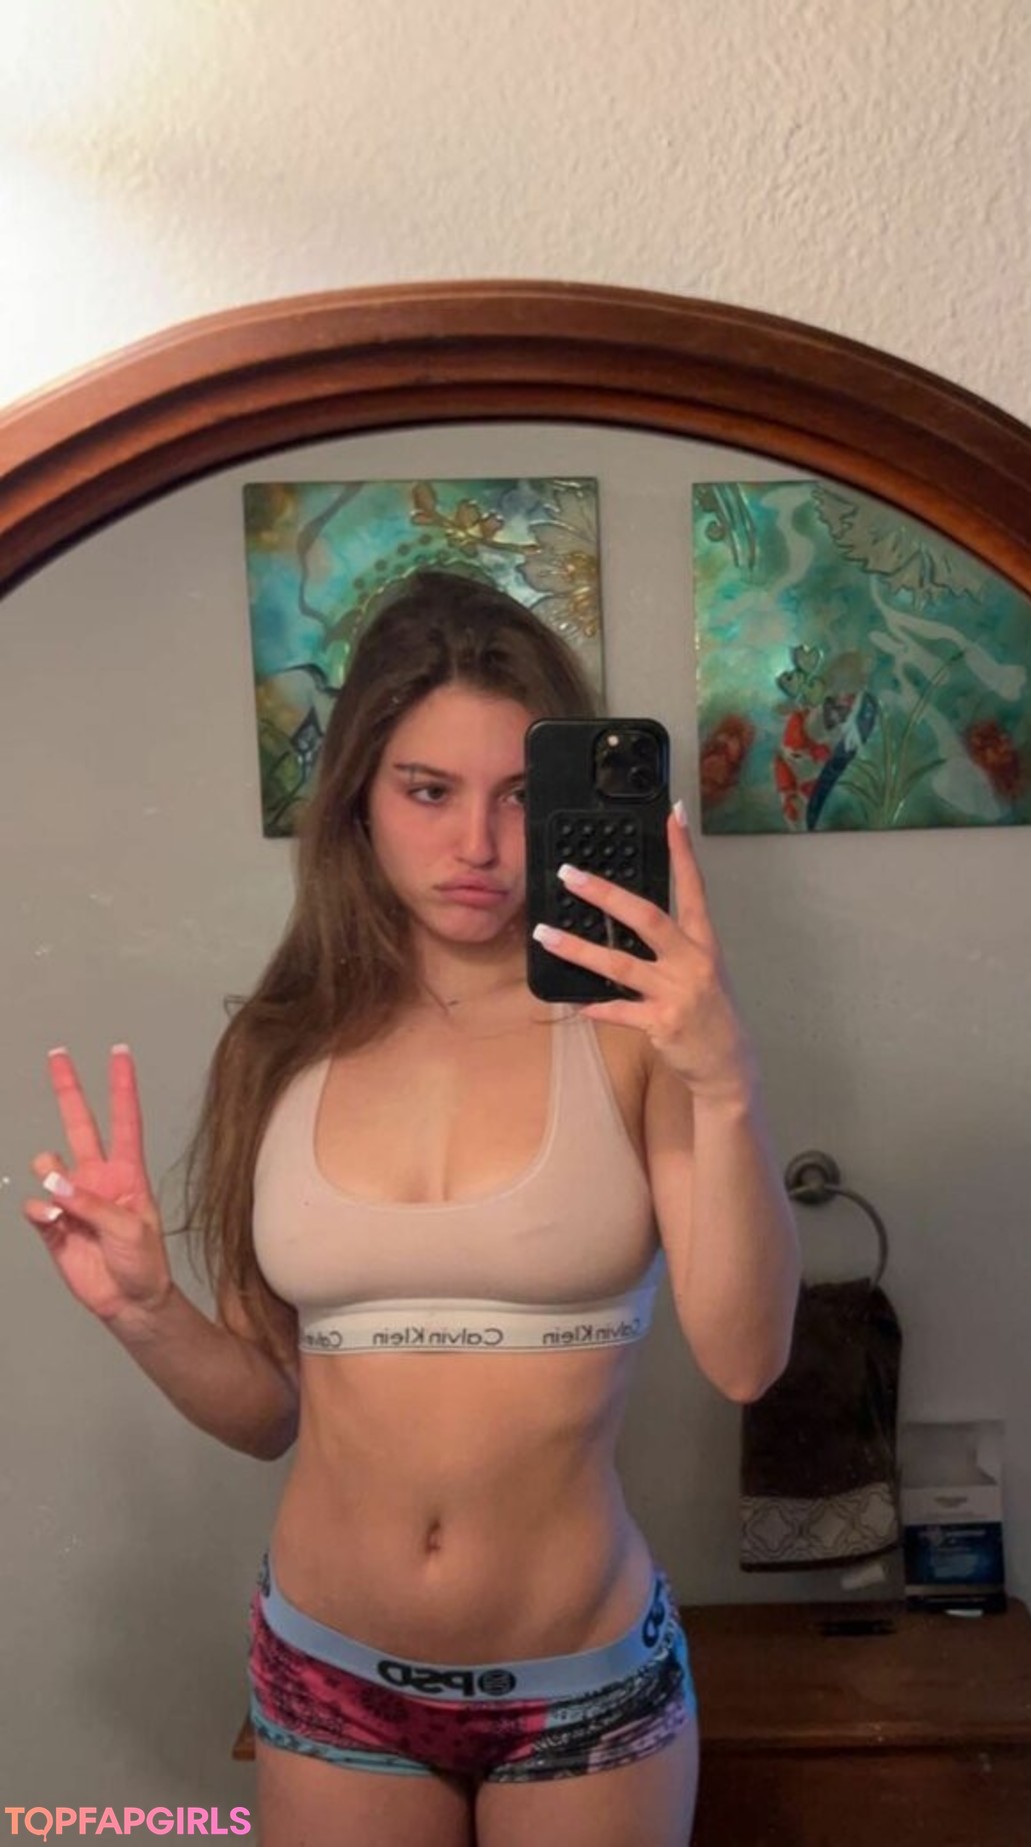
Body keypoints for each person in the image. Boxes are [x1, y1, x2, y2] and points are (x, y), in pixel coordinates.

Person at [23, 569, 801, 1847]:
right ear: (359, 800)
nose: (478, 845)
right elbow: (268, 1412)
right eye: (429, 790)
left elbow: (745, 1358)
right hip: (329, 1674)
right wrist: (144, 1311)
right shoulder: (279, 1044)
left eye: (519, 794)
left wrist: (727, 1083)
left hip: (582, 1688)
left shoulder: (636, 1035)